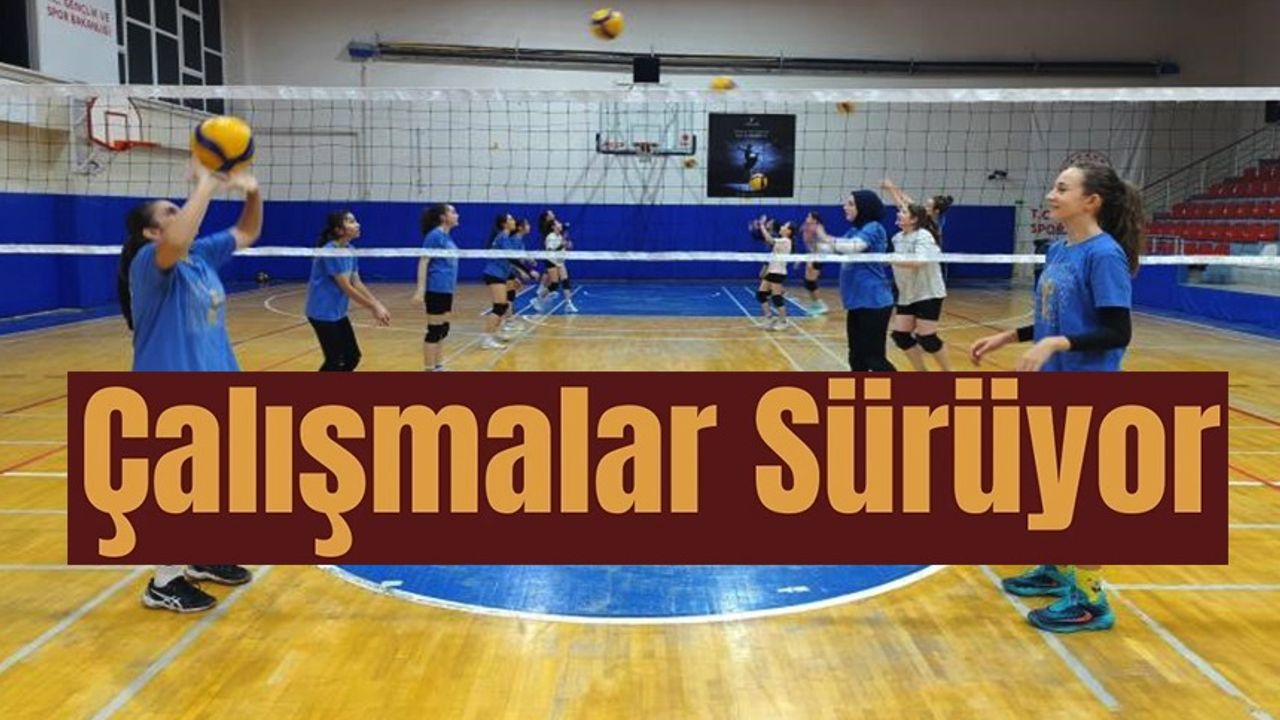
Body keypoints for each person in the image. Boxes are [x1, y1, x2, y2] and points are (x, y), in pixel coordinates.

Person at [969, 160, 1144, 633]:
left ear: (1091, 202)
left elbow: (1117, 330)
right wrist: (1012, 335)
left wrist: (1056, 344)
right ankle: (1057, 566)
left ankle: (1090, 601)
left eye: (1062, 188)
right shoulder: (1059, 250)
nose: (1051, 194)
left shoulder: (1103, 255)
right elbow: (1058, 314)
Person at [117, 159, 262, 612]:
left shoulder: (200, 256)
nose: (179, 214)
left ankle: (202, 555)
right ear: (151, 233)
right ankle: (163, 582)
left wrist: (252, 191)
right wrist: (206, 184)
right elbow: (177, 239)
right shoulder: (150, 263)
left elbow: (247, 231)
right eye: (169, 212)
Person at [812, 190, 896, 371]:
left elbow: (853, 247)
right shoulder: (855, 230)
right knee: (856, 357)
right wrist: (814, 243)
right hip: (857, 302)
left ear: (863, 207)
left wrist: (824, 236)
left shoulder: (873, 227)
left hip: (874, 302)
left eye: (850, 204)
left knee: (874, 359)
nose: (845, 207)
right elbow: (834, 248)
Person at [305, 210, 390, 371]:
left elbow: (356, 281)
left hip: (338, 313)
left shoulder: (350, 249)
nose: (357, 224)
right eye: (351, 222)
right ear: (339, 230)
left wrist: (377, 303)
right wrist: (373, 307)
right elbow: (346, 287)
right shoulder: (331, 251)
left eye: (355, 221)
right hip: (322, 313)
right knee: (334, 361)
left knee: (352, 357)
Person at [889, 204, 950, 371]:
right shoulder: (896, 238)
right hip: (907, 293)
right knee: (900, 336)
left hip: (927, 293)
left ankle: (949, 374)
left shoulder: (924, 236)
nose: (898, 213)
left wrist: (891, 259)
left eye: (903, 212)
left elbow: (919, 261)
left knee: (927, 338)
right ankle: (922, 373)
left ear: (914, 219)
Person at [412, 204, 460, 372]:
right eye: (453, 212)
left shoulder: (447, 237)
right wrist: (420, 290)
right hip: (436, 288)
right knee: (434, 330)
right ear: (443, 217)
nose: (457, 215)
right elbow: (423, 261)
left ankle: (438, 366)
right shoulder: (434, 235)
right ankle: (429, 369)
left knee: (443, 329)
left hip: (446, 289)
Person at [753, 216, 794, 330]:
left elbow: (769, 240)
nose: (781, 227)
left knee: (776, 298)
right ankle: (769, 318)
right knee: (761, 294)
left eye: (785, 226)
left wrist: (762, 225)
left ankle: (784, 321)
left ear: (789, 231)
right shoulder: (781, 240)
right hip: (771, 271)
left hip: (778, 272)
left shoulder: (786, 241)